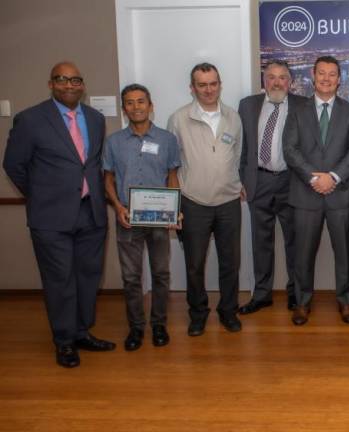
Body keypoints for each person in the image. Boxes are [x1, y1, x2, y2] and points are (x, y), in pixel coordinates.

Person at [3, 61, 115, 368]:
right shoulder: (30, 119)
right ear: (51, 84)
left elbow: (90, 163)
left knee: (89, 276)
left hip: (90, 212)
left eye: (75, 80)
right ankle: (64, 341)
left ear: (82, 85)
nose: (69, 85)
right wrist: (41, 195)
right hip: (51, 217)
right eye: (62, 80)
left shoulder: (94, 118)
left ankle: (82, 331)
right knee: (59, 279)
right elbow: (13, 165)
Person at [283, 56, 349, 326]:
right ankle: (302, 302)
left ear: (339, 79)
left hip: (339, 193)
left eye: (332, 74)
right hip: (306, 193)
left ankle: (346, 301)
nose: (327, 79)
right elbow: (290, 149)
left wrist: (332, 177)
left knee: (344, 252)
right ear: (312, 75)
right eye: (322, 74)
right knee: (303, 253)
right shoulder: (296, 109)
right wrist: (313, 178)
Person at [167, 62, 244, 336]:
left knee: (230, 263)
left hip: (228, 203)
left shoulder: (233, 118)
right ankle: (198, 314)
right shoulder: (178, 119)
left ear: (220, 85)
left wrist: (236, 185)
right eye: (202, 84)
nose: (208, 89)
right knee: (194, 264)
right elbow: (172, 167)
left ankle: (228, 311)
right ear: (192, 88)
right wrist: (175, 204)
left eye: (213, 83)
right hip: (193, 202)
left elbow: (237, 157)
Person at [103, 84, 181, 351]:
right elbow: (108, 178)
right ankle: (136, 328)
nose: (136, 107)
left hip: (159, 217)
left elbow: (172, 176)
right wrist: (117, 206)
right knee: (131, 277)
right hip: (128, 217)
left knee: (161, 273)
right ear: (124, 108)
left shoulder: (167, 140)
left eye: (141, 101)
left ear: (151, 105)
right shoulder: (113, 142)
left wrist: (174, 209)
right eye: (130, 103)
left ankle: (159, 325)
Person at [237, 59, 304, 315]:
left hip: (292, 182)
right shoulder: (248, 105)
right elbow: (241, 146)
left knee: (294, 242)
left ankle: (295, 294)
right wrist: (242, 179)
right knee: (261, 242)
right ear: (264, 81)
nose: (277, 82)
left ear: (291, 82)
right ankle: (262, 294)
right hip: (259, 181)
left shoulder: (302, 106)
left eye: (282, 77)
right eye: (271, 77)